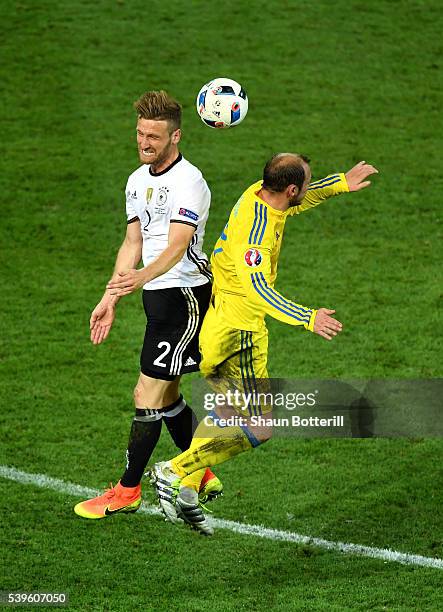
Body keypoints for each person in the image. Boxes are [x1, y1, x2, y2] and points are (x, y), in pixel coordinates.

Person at [148, 154, 378, 535]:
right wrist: (309, 317)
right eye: (307, 182)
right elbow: (259, 290)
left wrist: (340, 183)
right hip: (241, 336)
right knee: (260, 427)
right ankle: (173, 470)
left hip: (215, 327)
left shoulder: (258, 194)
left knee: (226, 413)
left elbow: (297, 202)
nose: (308, 186)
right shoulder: (257, 235)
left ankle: (187, 490)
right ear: (290, 189)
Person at [74, 90, 222, 520]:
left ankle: (127, 490)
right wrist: (111, 296)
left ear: (175, 136)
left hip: (184, 297)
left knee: (147, 393)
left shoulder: (189, 181)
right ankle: (203, 473)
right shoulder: (137, 180)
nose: (144, 143)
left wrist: (141, 278)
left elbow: (178, 246)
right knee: (168, 395)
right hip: (157, 297)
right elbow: (132, 242)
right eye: (140, 134)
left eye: (154, 136)